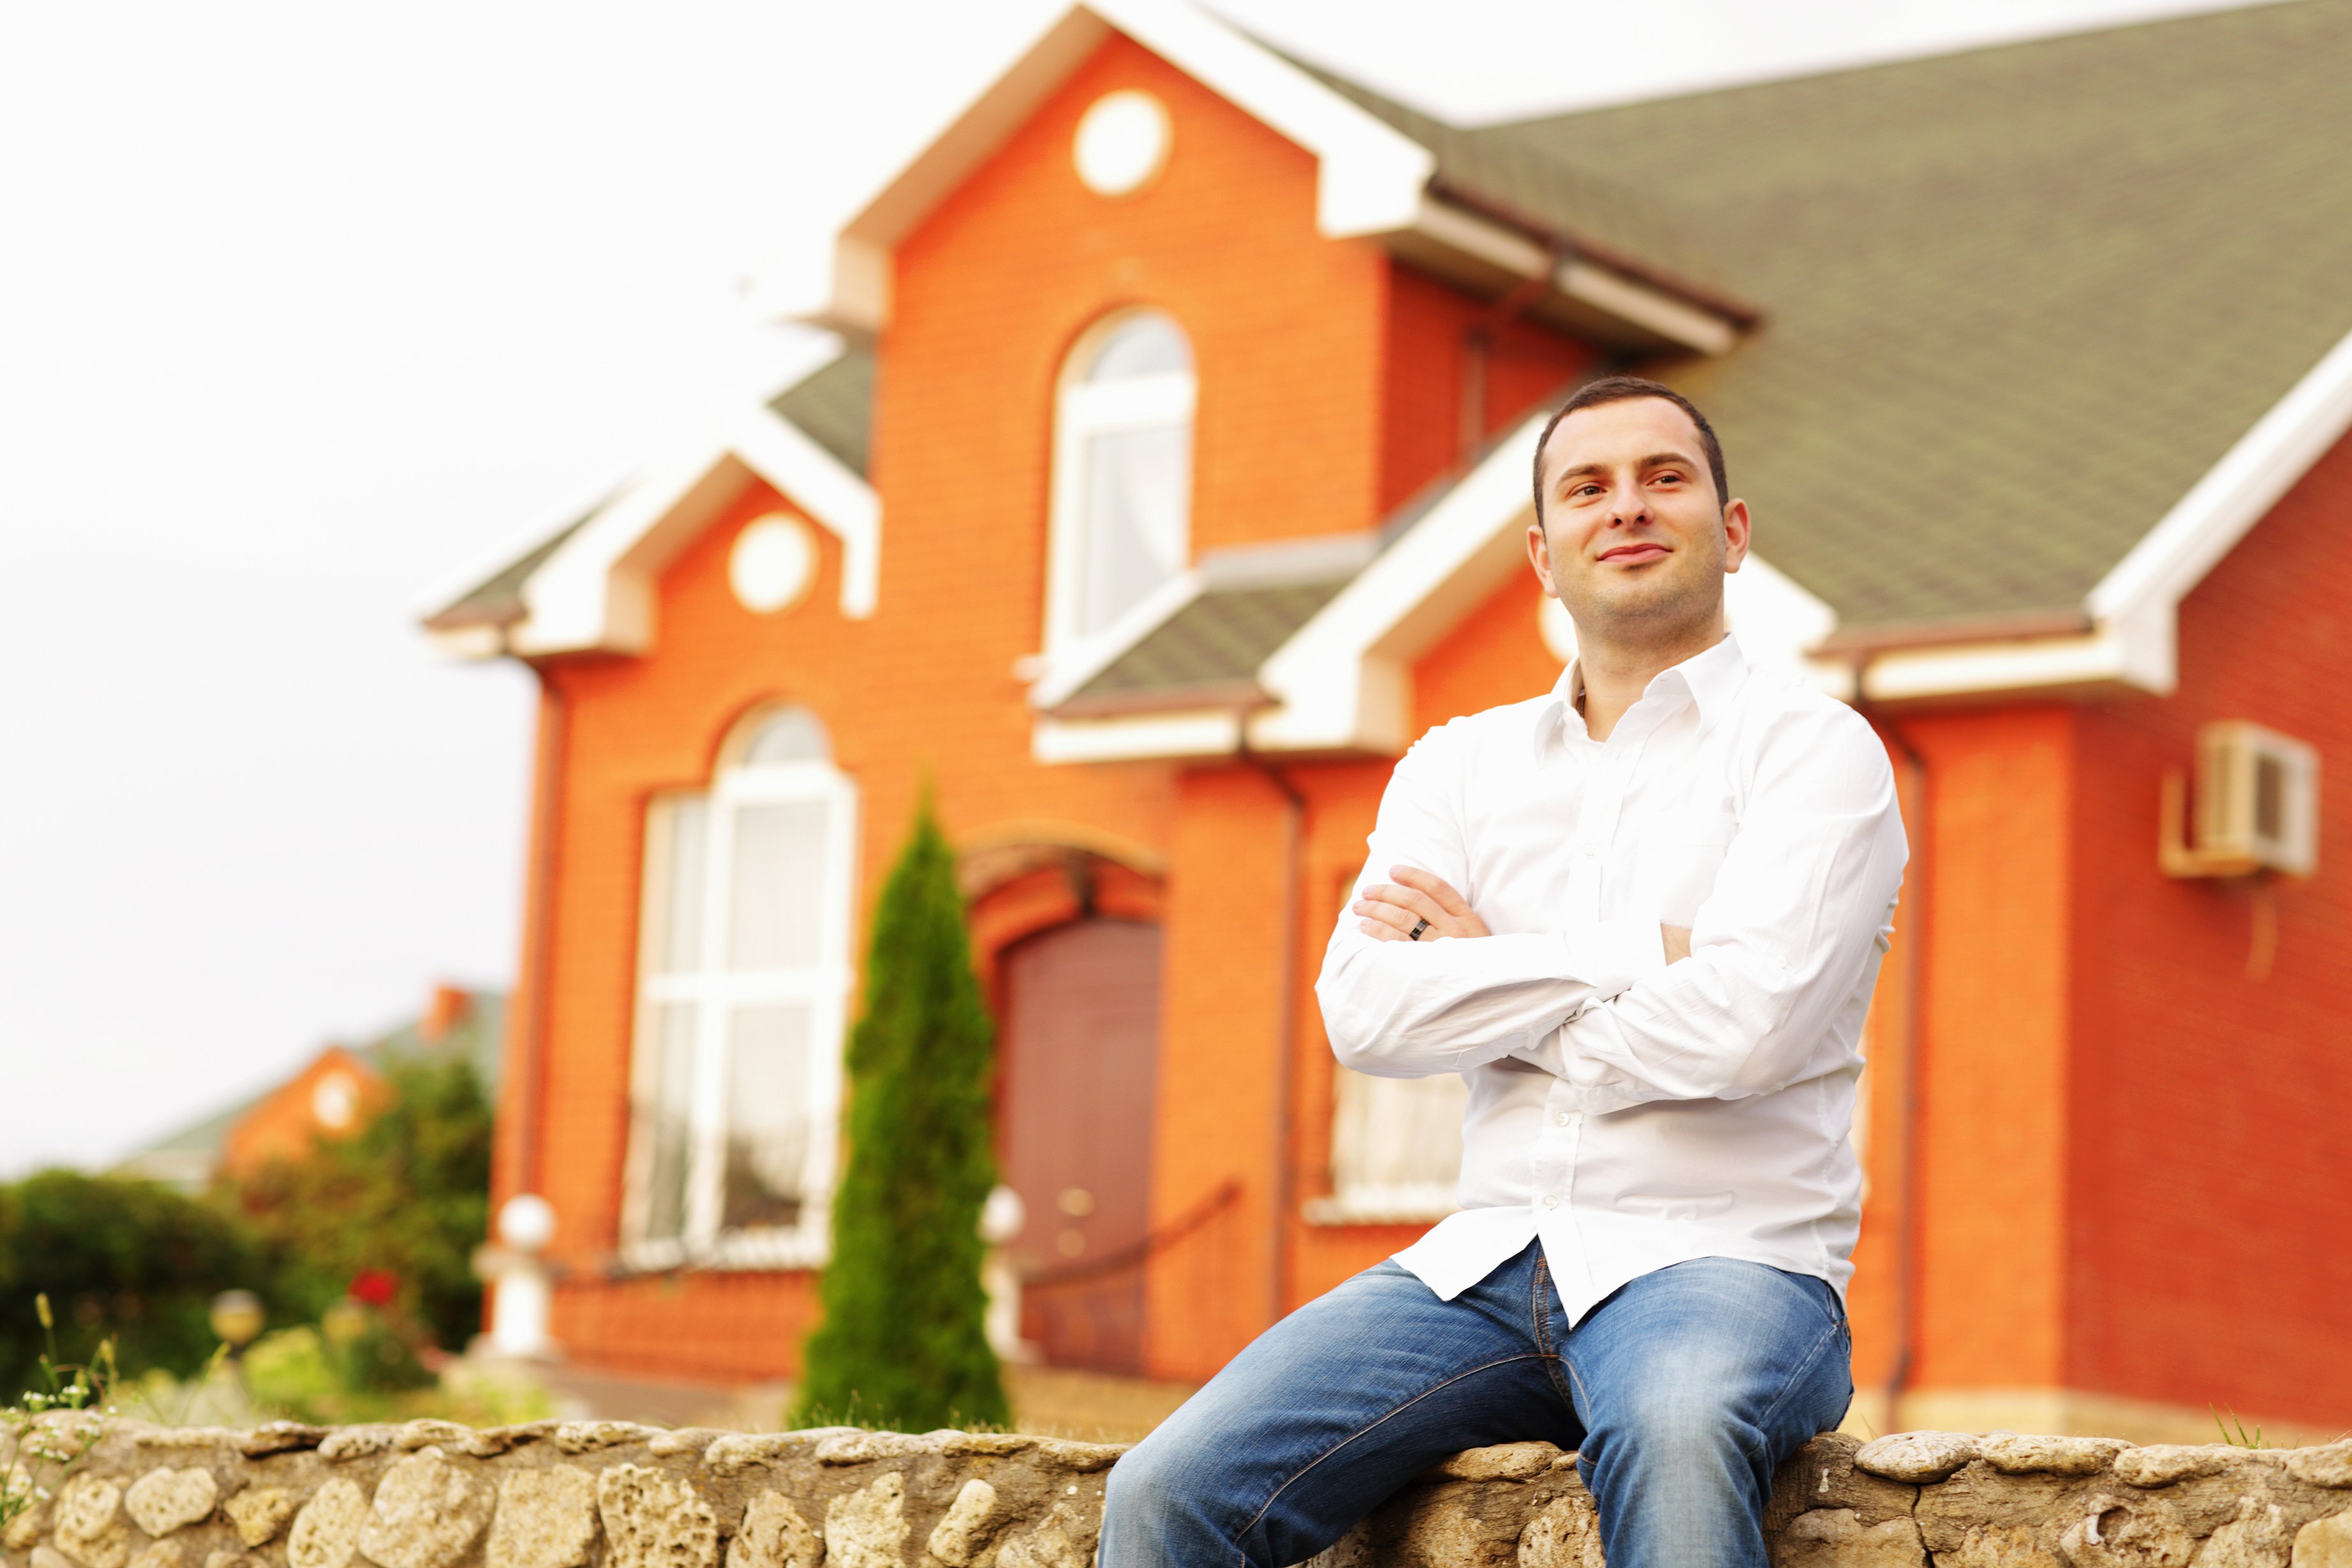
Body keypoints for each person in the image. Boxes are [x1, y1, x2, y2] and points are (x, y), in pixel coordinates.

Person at [1099, 376, 1908, 1567]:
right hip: (1477, 1270)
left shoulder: (1813, 751)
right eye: (1587, 488)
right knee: (1168, 1488)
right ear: (1542, 553)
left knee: (1674, 1434)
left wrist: (1485, 982)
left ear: (1731, 533)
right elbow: (1364, 1009)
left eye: (1663, 478)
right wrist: (1645, 955)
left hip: (1728, 1261)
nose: (1623, 508)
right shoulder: (1456, 766)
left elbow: (1747, 1032)